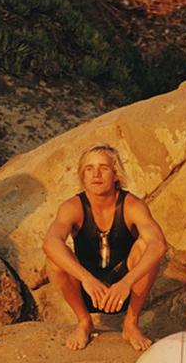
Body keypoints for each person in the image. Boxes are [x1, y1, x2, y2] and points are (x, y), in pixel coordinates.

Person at [42, 143, 166, 351]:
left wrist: (127, 281)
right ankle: (83, 321)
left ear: (116, 174)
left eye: (104, 168)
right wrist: (86, 279)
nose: (96, 174)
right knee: (54, 260)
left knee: (147, 246)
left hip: (124, 289)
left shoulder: (132, 205)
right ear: (83, 176)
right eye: (89, 169)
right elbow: (50, 242)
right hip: (88, 290)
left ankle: (131, 324)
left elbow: (158, 245)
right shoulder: (72, 207)